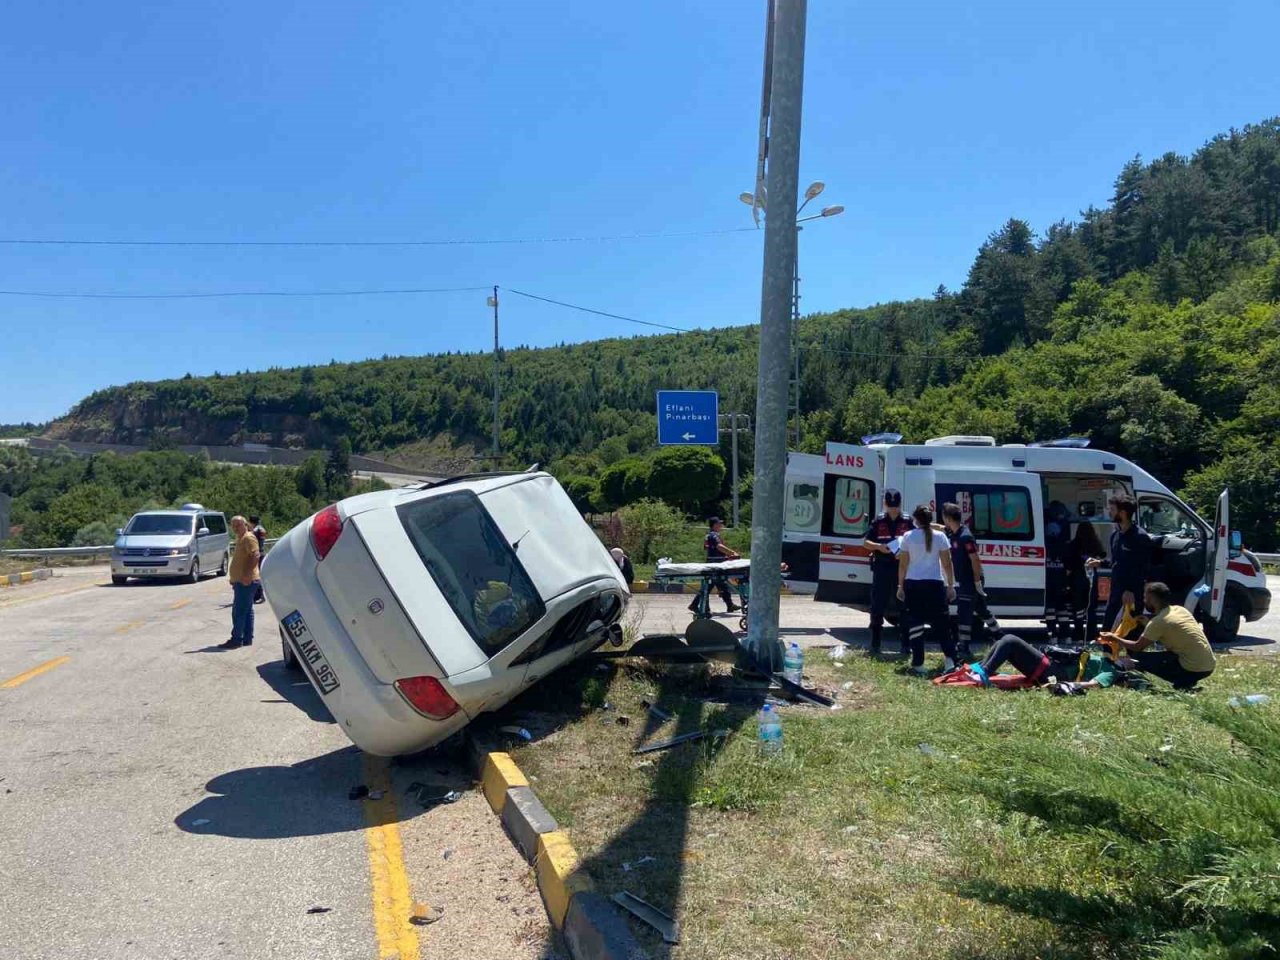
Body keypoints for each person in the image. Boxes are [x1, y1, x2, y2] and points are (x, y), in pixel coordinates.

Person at [1105, 581, 1215, 689]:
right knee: (1168, 656)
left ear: (1152, 599)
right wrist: (1148, 624)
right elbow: (1174, 632)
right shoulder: (1180, 610)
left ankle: (1183, 681)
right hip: (1208, 666)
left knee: (1138, 657)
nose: (1144, 601)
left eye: (1145, 598)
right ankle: (1187, 681)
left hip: (1192, 668)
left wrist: (1114, 637)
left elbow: (1137, 646)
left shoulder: (1158, 622)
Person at [897, 504, 957, 674]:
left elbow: (903, 564)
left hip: (913, 583)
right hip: (934, 584)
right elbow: (947, 564)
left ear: (915, 520)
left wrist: (900, 586)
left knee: (915, 623)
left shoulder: (908, 536)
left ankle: (918, 663)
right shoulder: (941, 536)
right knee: (942, 624)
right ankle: (950, 659)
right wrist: (950, 585)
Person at [966, 633, 1119, 691]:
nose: (1126, 657)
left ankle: (983, 673)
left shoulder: (1112, 671)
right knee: (1003, 641)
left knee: (1010, 640)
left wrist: (1067, 686)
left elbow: (1095, 684)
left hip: (1054, 673)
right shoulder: (1105, 659)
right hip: (1054, 666)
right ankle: (981, 669)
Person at [862, 488, 914, 655]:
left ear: (900, 504)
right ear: (885, 504)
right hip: (882, 567)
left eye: (895, 506)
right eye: (890, 506)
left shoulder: (908, 521)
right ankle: (875, 644)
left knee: (904, 606)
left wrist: (906, 553)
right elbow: (866, 543)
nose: (892, 509)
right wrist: (879, 547)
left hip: (901, 568)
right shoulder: (878, 520)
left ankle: (906, 645)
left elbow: (916, 541)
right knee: (877, 605)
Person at [1087, 494, 1150, 631]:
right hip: (1116, 591)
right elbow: (1117, 561)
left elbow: (1142, 567)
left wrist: (1131, 590)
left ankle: (1130, 653)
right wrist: (1101, 563)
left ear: (1123, 513)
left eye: (1112, 509)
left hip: (1132, 594)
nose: (1109, 512)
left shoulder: (1140, 537)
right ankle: (1109, 653)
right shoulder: (1115, 536)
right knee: (1108, 631)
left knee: (1130, 632)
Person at [941, 502, 988, 662]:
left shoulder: (965, 536)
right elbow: (940, 528)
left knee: (964, 614)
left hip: (970, 580)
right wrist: (923, 524)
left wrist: (976, 581)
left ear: (947, 518)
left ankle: (964, 648)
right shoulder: (954, 533)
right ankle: (1000, 635)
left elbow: (975, 560)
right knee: (982, 611)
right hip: (965, 580)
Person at [222, 515, 260, 649]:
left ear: (245, 524)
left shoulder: (248, 537)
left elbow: (255, 555)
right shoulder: (241, 538)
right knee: (247, 610)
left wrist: (247, 575)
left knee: (239, 611)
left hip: (247, 581)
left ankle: (236, 639)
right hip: (242, 581)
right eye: (233, 525)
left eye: (238, 525)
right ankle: (247, 638)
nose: (236, 528)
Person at [1065, 521, 1106, 644]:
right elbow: (1103, 555)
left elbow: (1068, 565)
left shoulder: (1073, 544)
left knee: (1078, 608)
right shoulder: (1095, 544)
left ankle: (1078, 633)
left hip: (1077, 579)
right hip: (1091, 578)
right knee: (1091, 608)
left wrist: (1067, 581)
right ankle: (1091, 634)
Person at [689, 517, 740, 614]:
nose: (721, 525)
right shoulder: (714, 535)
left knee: (719, 585)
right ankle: (697, 605)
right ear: (715, 525)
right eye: (719, 523)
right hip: (715, 564)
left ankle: (729, 605)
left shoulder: (709, 535)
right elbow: (719, 547)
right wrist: (732, 553)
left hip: (713, 563)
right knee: (713, 585)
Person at [1043, 501, 1073, 640]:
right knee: (1061, 607)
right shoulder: (1064, 543)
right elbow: (1068, 565)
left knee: (1050, 607)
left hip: (1049, 577)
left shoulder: (1045, 543)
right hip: (1060, 578)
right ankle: (1065, 635)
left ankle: (1052, 634)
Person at [249, 515, 267, 604]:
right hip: (261, 552)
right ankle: (258, 595)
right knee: (257, 574)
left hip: (256, 554)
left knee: (255, 575)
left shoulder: (255, 530)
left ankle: (260, 595)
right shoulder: (261, 528)